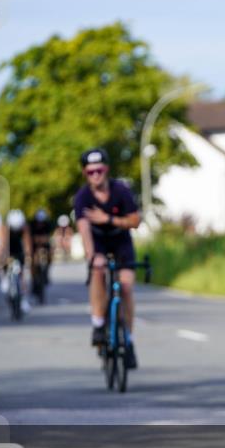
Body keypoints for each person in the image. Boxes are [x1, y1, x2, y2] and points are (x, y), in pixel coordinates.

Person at [73, 148, 141, 369]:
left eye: (99, 170)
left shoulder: (120, 190)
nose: (95, 175)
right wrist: (92, 256)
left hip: (121, 242)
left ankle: (128, 340)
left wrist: (109, 219)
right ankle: (98, 322)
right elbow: (84, 229)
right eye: (90, 172)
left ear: (107, 170)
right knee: (99, 269)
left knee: (127, 287)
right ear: (85, 173)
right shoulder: (83, 197)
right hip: (98, 243)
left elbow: (135, 220)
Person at [4, 209, 31, 312]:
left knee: (22, 274)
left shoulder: (24, 227)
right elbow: (3, 243)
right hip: (9, 249)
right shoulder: (6, 228)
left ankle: (23, 300)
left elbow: (27, 241)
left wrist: (28, 255)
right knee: (5, 266)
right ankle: (6, 281)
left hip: (19, 250)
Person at [28, 208, 55, 297]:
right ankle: (34, 279)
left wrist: (43, 240)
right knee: (33, 261)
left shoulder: (47, 224)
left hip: (44, 245)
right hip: (34, 246)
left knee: (50, 253)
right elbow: (30, 238)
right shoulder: (32, 224)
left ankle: (46, 271)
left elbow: (48, 237)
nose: (40, 224)